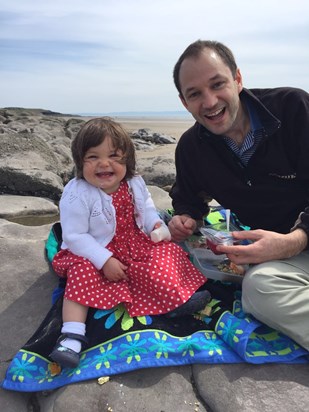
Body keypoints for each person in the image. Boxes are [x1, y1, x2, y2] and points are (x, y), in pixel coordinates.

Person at [168, 39, 309, 351]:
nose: (209, 101)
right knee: (258, 289)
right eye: (195, 94)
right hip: (287, 259)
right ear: (184, 101)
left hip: (297, 241)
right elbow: (188, 198)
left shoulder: (293, 108)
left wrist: (292, 241)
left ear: (238, 79)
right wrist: (186, 218)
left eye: (217, 84)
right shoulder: (192, 149)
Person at [50, 117, 210, 368]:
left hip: (133, 242)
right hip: (93, 249)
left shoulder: (134, 183)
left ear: (128, 159)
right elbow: (75, 236)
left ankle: (174, 300)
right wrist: (103, 261)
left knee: (165, 253)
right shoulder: (77, 192)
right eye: (93, 157)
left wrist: (155, 225)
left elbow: (146, 210)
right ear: (80, 162)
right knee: (80, 274)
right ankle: (71, 335)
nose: (104, 164)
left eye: (114, 156)